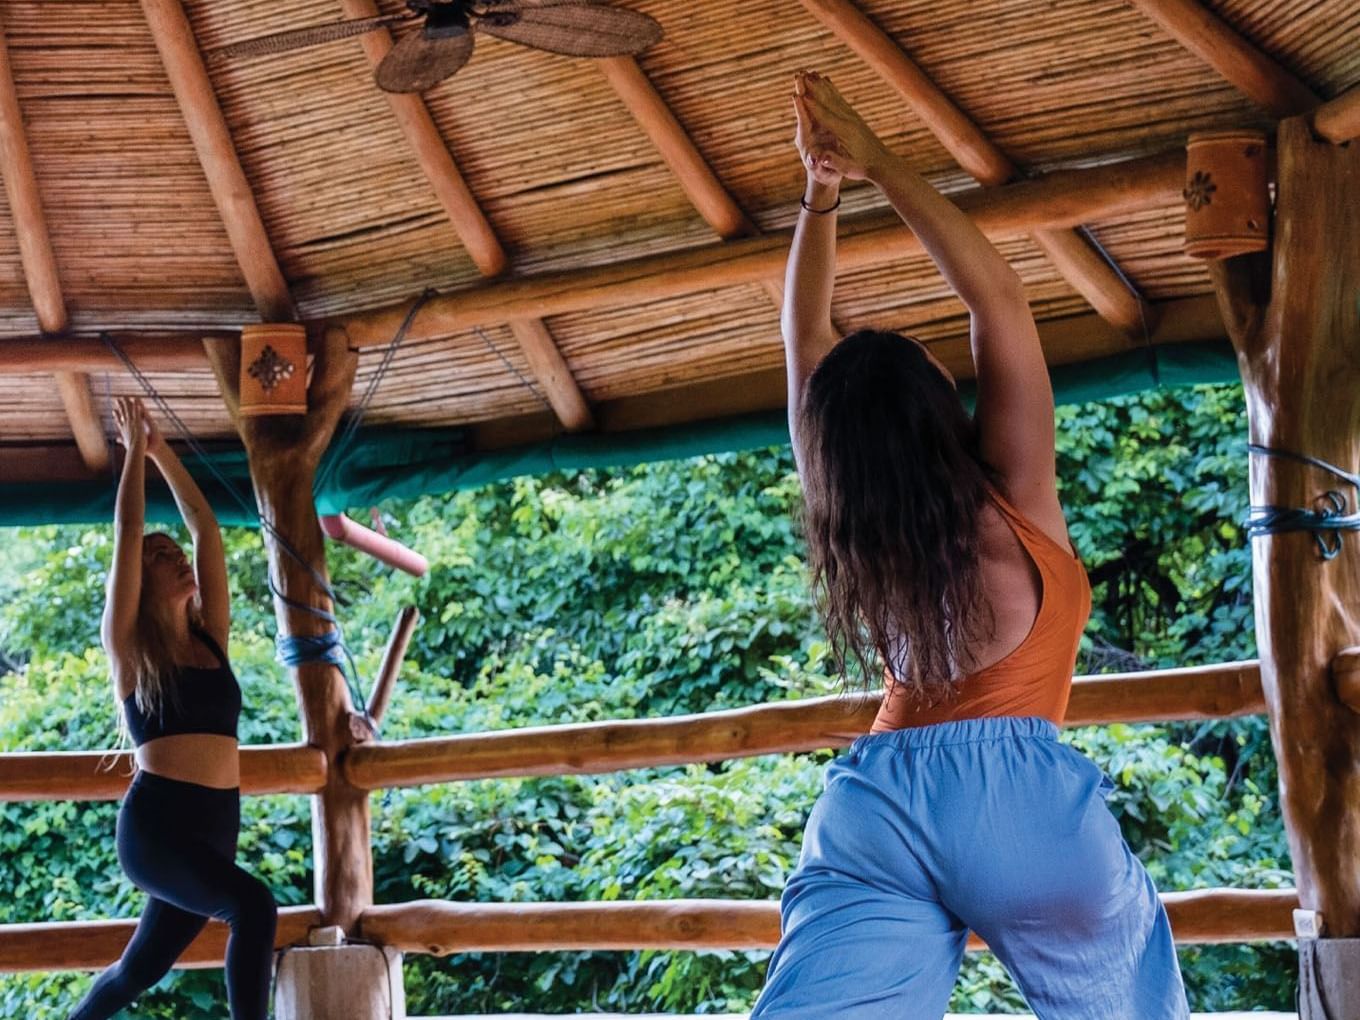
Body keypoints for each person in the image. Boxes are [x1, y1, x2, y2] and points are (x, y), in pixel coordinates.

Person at [750, 72, 1188, 1019]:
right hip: (1017, 808)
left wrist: (820, 197)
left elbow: (800, 340)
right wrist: (873, 160)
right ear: (940, 403)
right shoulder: (1012, 498)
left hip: (871, 810)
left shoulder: (850, 511)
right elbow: (999, 299)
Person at [71, 397, 277, 1020]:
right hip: (157, 832)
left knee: (139, 970)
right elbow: (128, 533)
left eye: (175, 555)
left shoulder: (211, 633)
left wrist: (164, 451)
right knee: (255, 908)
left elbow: (205, 528)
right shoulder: (131, 649)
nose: (179, 558)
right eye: (163, 558)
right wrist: (133, 454)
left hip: (216, 830)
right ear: (140, 576)